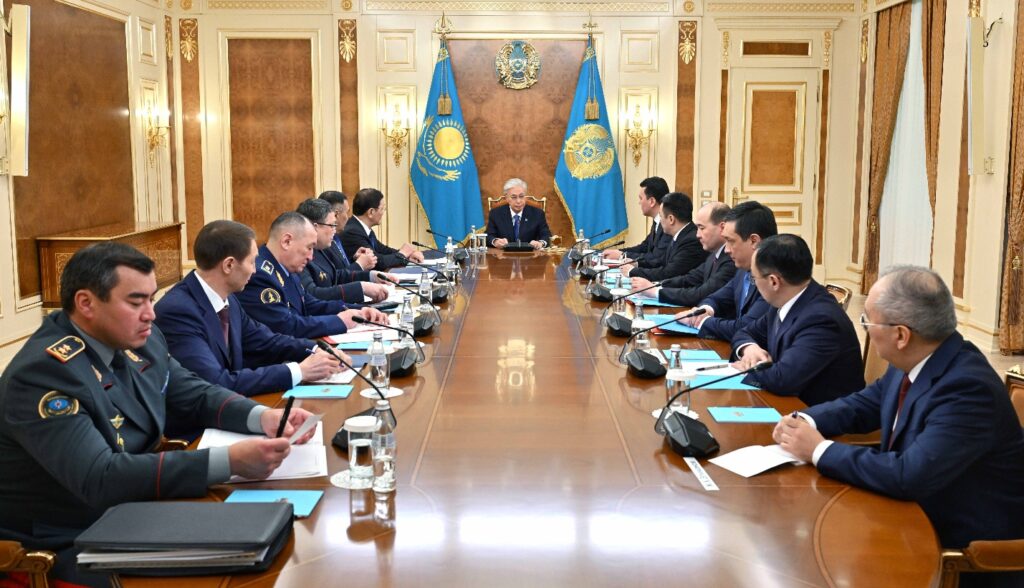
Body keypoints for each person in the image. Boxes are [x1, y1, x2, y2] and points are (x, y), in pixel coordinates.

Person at [0, 243, 315, 585]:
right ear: (86, 303)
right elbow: (100, 477)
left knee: (272, 544)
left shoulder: (140, 339)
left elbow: (194, 393)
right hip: (72, 536)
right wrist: (230, 461)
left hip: (138, 507)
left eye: (152, 299)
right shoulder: (44, 374)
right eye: (136, 302)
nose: (151, 313)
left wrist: (261, 417)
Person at [774, 266, 1024, 587]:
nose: (865, 328)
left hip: (958, 553)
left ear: (901, 335)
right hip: (907, 514)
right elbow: (864, 404)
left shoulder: (967, 389)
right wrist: (804, 421)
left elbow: (909, 475)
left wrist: (818, 449)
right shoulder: (920, 357)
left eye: (868, 321)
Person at [155, 220, 346, 397]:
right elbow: (215, 383)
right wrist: (299, 371)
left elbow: (267, 341)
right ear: (229, 265)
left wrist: (317, 350)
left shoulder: (229, 299)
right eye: (252, 262)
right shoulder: (178, 311)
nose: (255, 270)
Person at [731, 234, 864, 406]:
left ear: (773, 282)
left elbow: (783, 379)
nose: (754, 283)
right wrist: (749, 348)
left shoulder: (822, 319)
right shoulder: (784, 300)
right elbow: (744, 332)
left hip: (816, 413)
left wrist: (747, 369)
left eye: (754, 278)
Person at [237, 212, 386, 339]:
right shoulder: (260, 275)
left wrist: (359, 310)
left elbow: (310, 304)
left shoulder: (286, 267)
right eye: (309, 247)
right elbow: (285, 326)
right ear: (287, 242)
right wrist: (339, 321)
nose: (311, 257)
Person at [678, 200, 777, 341]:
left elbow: (746, 327)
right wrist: (705, 310)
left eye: (731, 241)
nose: (726, 250)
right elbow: (716, 298)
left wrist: (701, 321)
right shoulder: (743, 269)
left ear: (754, 241)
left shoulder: (774, 277)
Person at [630, 201, 736, 307]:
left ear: (722, 228)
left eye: (702, 228)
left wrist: (655, 291)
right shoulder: (714, 254)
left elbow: (700, 294)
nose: (698, 235)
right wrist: (655, 285)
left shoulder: (731, 259)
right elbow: (689, 279)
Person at [295, 198, 389, 303]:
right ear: (315, 227)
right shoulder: (299, 256)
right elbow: (313, 295)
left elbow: (336, 277)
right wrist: (360, 288)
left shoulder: (320, 248)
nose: (334, 230)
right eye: (332, 225)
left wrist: (371, 276)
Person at [618, 192, 707, 282]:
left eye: (661, 216)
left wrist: (632, 271)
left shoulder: (691, 240)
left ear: (671, 219)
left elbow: (669, 273)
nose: (660, 221)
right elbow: (661, 261)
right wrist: (637, 263)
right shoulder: (681, 234)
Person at [340, 188, 424, 270]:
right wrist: (402, 254)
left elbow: (383, 250)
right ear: (371, 212)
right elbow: (378, 262)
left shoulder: (361, 228)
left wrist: (408, 255)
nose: (383, 212)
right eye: (382, 209)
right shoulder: (353, 232)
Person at [602, 176, 671, 265]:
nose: (639, 202)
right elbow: (644, 247)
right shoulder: (657, 221)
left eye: (641, 198)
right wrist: (618, 252)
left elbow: (656, 257)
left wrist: (622, 255)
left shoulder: (667, 226)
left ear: (652, 201)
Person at [318, 190, 378, 273]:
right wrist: (359, 265)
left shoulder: (336, 236)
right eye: (347, 212)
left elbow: (340, 266)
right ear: (336, 215)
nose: (348, 217)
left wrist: (354, 258)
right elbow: (334, 276)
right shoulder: (323, 243)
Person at [484, 178, 552, 249]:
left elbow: (547, 235)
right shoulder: (496, 214)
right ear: (506, 198)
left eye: (521, 196)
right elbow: (488, 236)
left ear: (525, 197)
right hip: (504, 254)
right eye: (514, 197)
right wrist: (495, 241)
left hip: (530, 254)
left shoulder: (537, 214)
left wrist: (541, 243)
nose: (518, 201)